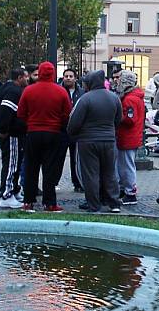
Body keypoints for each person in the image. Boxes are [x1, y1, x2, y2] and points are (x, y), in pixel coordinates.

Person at [17, 62, 73, 213]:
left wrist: (30, 123)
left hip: (33, 133)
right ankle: (50, 203)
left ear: (40, 73)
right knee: (50, 169)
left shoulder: (29, 91)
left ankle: (28, 202)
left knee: (31, 168)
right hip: (53, 133)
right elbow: (67, 114)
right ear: (53, 74)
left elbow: (21, 113)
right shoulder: (61, 91)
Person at [68, 70, 123, 213]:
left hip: (88, 141)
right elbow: (118, 119)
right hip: (109, 140)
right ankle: (114, 203)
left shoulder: (85, 99)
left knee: (91, 174)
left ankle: (94, 205)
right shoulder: (114, 98)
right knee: (110, 172)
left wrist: (73, 133)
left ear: (91, 83)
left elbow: (74, 123)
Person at [0, 69, 29, 209]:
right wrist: (3, 129)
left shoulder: (5, 88)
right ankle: (7, 195)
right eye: (25, 77)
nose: (27, 80)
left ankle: (14, 190)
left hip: (11, 132)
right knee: (12, 164)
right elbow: (5, 111)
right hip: (12, 134)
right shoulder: (14, 92)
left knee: (12, 163)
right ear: (20, 78)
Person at [113, 70, 145, 205]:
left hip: (127, 137)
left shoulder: (129, 99)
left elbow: (130, 119)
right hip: (130, 136)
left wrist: (117, 117)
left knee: (126, 166)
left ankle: (130, 192)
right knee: (124, 165)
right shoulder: (134, 97)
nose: (117, 81)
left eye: (119, 79)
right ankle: (125, 189)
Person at [61, 68, 85, 193]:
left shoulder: (82, 92)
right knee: (58, 158)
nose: (68, 78)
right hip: (62, 130)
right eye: (66, 76)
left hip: (77, 131)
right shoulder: (59, 91)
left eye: (71, 76)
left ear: (75, 78)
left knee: (76, 159)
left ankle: (77, 183)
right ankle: (53, 182)